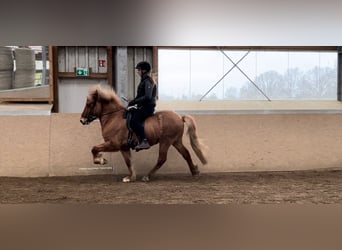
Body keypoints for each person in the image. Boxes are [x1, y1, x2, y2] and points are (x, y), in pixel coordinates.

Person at [128, 61, 157, 151]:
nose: (137, 72)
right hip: (143, 106)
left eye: (139, 70)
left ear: (144, 71)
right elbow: (140, 96)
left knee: (134, 120)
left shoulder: (148, 81)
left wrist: (135, 101)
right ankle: (134, 139)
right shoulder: (143, 81)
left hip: (148, 107)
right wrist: (132, 102)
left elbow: (147, 97)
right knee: (129, 113)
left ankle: (144, 141)